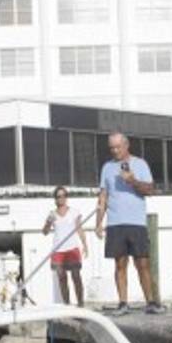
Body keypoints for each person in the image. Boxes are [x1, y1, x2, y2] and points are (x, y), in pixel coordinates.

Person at [95, 133, 161, 315]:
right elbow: (103, 196)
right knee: (120, 264)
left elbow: (150, 190)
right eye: (112, 148)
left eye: (118, 147)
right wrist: (98, 223)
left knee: (142, 263)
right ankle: (123, 303)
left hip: (136, 222)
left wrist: (132, 181)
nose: (115, 151)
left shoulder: (140, 164)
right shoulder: (107, 168)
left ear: (126, 145)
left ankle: (151, 302)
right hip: (115, 222)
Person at [42, 186, 88, 306]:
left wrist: (85, 244)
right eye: (58, 196)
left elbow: (79, 229)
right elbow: (45, 232)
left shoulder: (74, 212)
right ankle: (67, 304)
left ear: (66, 198)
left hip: (72, 248)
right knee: (62, 278)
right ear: (55, 199)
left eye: (63, 196)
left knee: (76, 276)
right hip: (58, 250)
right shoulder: (52, 214)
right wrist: (48, 223)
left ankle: (80, 303)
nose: (61, 199)